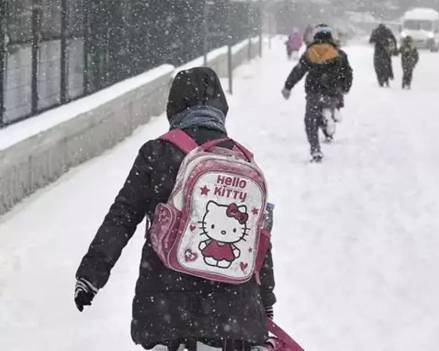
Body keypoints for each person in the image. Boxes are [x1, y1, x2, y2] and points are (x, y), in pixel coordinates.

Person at [73, 67, 277, 350]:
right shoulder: (242, 162)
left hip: (166, 308)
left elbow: (122, 216)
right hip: (234, 312)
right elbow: (259, 239)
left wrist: (90, 275)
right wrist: (265, 302)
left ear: (174, 106)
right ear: (221, 107)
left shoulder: (157, 153)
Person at [282, 24, 353, 162]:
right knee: (328, 108)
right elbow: (348, 73)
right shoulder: (340, 54)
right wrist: (345, 88)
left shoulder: (310, 53)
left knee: (310, 120)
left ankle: (315, 150)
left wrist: (287, 87)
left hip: (314, 92)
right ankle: (331, 117)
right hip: (332, 92)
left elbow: (298, 71)